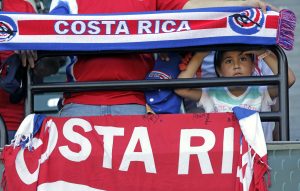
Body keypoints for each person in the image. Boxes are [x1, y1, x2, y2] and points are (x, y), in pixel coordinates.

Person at [20, 0, 277, 117]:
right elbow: (47, 30)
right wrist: (27, 41)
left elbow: (193, 8)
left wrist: (240, 4)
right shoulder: (69, 0)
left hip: (135, 105)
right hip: (80, 103)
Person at [175, 49, 296, 141]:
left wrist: (262, 53)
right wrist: (200, 55)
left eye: (243, 59)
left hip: (260, 161)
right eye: (229, 61)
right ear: (219, 70)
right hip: (225, 161)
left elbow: (289, 79)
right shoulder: (212, 93)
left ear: (253, 65)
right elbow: (181, 89)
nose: (236, 65)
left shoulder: (261, 91)